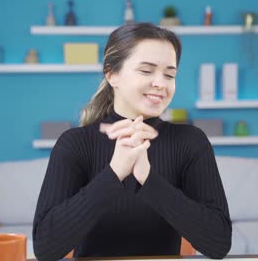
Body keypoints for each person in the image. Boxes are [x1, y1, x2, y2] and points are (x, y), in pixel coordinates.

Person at [33, 22, 232, 261]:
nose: (161, 83)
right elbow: (45, 248)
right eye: (147, 71)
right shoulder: (76, 144)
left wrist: (148, 179)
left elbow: (219, 243)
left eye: (169, 74)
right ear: (112, 74)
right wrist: (115, 172)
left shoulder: (190, 142)